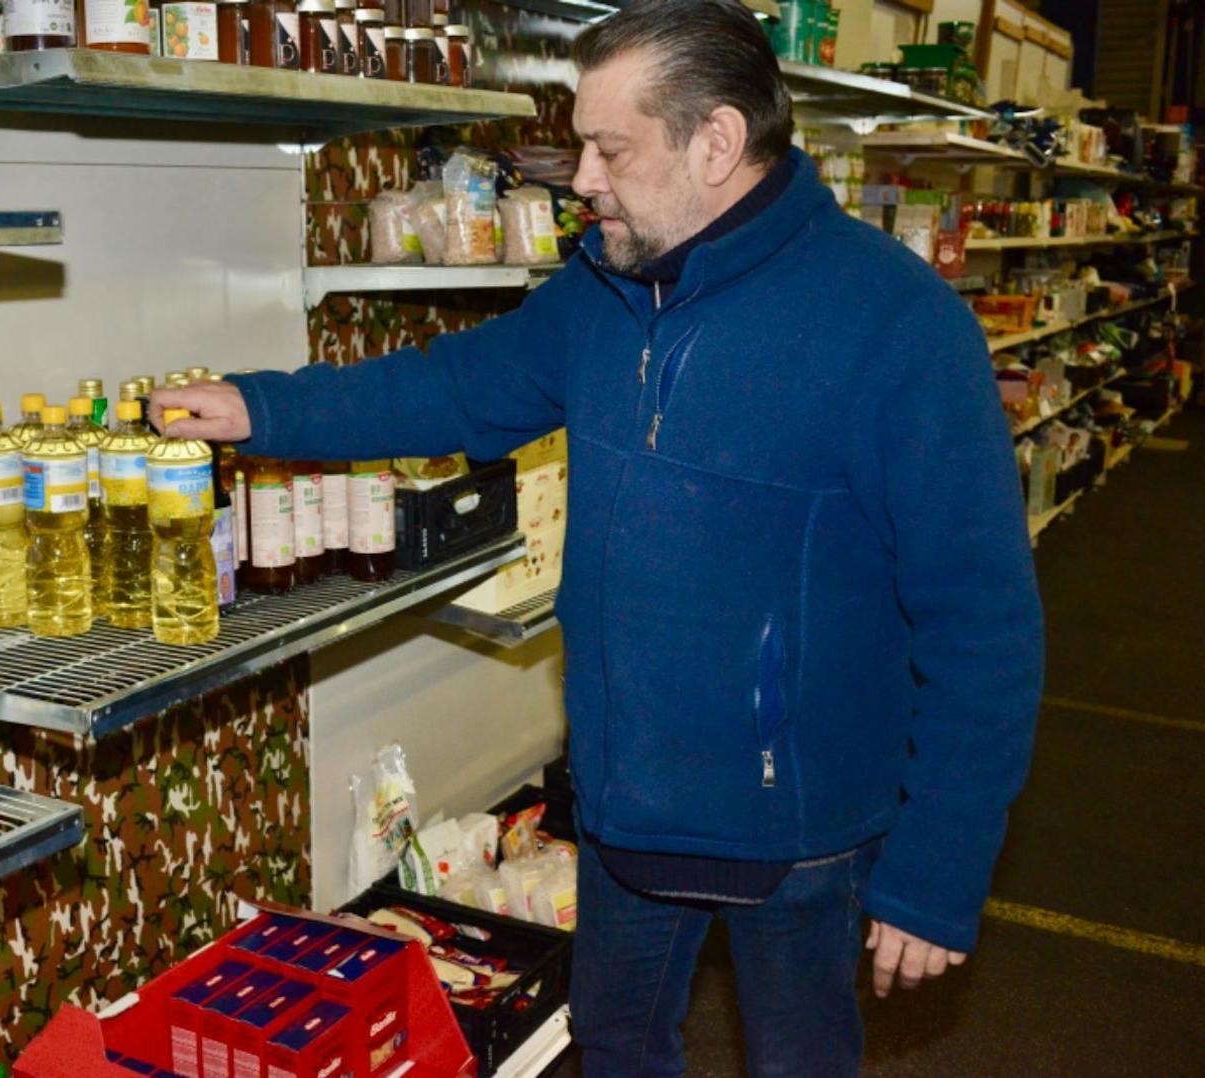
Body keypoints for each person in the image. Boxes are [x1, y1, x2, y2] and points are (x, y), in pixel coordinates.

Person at [152, 0, 1044, 1072]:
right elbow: (452, 387)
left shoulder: (898, 325)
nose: (577, 176)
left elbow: (982, 624)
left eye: (608, 148)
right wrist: (259, 410)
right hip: (623, 804)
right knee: (613, 1042)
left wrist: (939, 870)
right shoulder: (598, 292)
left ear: (715, 142)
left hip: (800, 834)